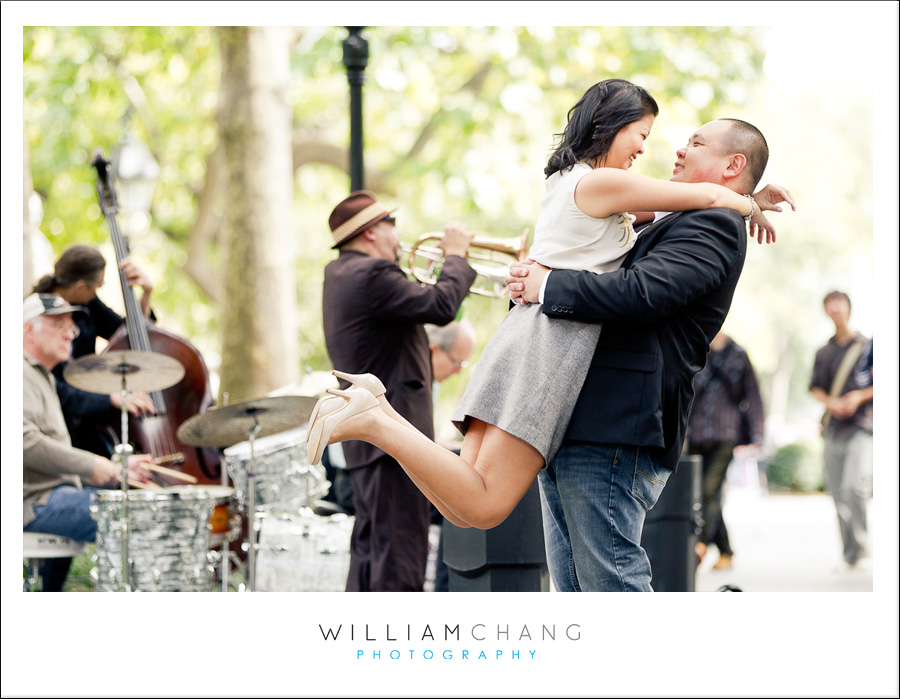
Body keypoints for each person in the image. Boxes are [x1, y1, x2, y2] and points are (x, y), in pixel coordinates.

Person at [306, 79, 793, 552]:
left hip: (524, 331)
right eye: (641, 134)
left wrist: (748, 200)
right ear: (614, 124)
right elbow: (705, 198)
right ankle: (377, 419)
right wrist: (745, 204)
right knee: (485, 505)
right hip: (552, 341)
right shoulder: (604, 183)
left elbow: (666, 213)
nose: (648, 149)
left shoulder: (574, 181)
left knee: (463, 505)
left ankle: (378, 417)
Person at [319, 190, 477, 592]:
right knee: (401, 552)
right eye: (392, 227)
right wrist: (456, 256)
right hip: (392, 437)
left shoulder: (339, 275)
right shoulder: (371, 275)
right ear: (372, 232)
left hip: (369, 440)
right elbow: (442, 306)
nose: (398, 237)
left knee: (373, 550)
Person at [23, 292, 154, 591]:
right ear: (28, 329)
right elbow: (22, 441)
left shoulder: (42, 376)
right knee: (141, 516)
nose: (70, 333)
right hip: (34, 503)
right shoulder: (17, 371)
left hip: (51, 496)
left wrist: (113, 467)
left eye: (71, 327)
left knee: (142, 507)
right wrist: (92, 464)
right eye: (59, 325)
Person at [31, 244, 156, 458]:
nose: (69, 334)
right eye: (95, 286)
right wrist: (109, 399)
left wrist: (146, 293)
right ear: (80, 287)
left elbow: (129, 336)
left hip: (90, 421)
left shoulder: (88, 303)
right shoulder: (36, 314)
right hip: (57, 421)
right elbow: (54, 389)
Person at [686, 331, 765, 571]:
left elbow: (752, 393)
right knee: (705, 493)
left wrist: (757, 434)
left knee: (709, 491)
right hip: (696, 431)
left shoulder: (738, 354)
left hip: (726, 433)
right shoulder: (696, 346)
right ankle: (726, 551)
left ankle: (698, 545)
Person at [809, 291, 873, 569]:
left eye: (840, 304)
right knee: (837, 494)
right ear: (826, 311)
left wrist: (859, 396)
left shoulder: (869, 347)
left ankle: (861, 543)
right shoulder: (824, 352)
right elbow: (815, 387)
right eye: (830, 305)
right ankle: (850, 554)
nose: (836, 309)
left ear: (849, 308)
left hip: (862, 427)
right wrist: (832, 403)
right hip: (833, 429)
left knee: (853, 487)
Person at [424, 320, 476, 592]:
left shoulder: (428, 384)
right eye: (456, 362)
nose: (457, 372)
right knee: (461, 501)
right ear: (434, 348)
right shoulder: (415, 382)